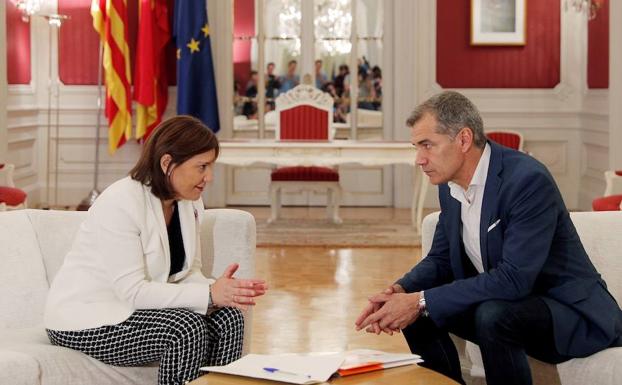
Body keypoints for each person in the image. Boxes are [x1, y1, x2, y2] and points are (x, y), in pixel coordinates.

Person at [355, 91, 622, 385]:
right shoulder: (449, 184)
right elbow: (441, 259)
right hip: (514, 303)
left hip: (568, 312)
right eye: (416, 147)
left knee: (491, 315)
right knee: (416, 311)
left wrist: (419, 300)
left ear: (464, 139)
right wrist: (398, 292)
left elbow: (515, 279)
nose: (419, 159)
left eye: (427, 145)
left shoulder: (527, 181)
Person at [44, 115, 268, 385]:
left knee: (230, 317)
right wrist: (209, 294)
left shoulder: (189, 202)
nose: (209, 177)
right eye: (202, 167)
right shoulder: (120, 202)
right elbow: (133, 292)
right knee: (186, 328)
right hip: (87, 318)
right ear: (167, 163)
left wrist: (221, 291)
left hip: (137, 311)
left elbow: (188, 272)